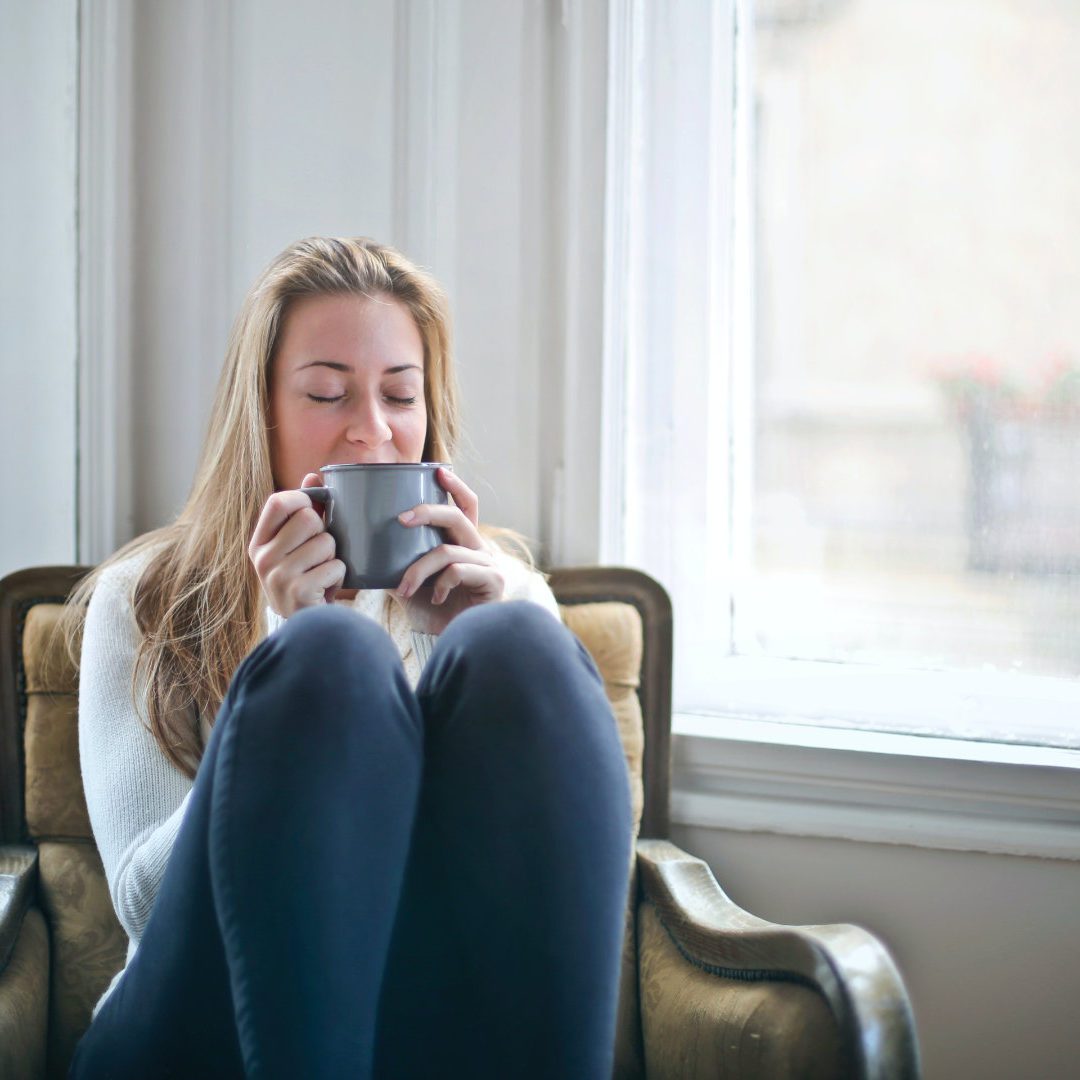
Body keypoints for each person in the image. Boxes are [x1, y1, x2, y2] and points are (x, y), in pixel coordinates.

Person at [63, 237, 632, 1079]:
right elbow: (145, 906)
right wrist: (281, 649)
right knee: (330, 656)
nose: (373, 433)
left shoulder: (504, 593)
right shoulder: (143, 597)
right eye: (328, 394)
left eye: (401, 395)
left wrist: (455, 647)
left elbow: (568, 892)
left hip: (426, 1019)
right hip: (193, 1020)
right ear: (260, 411)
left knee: (515, 643)